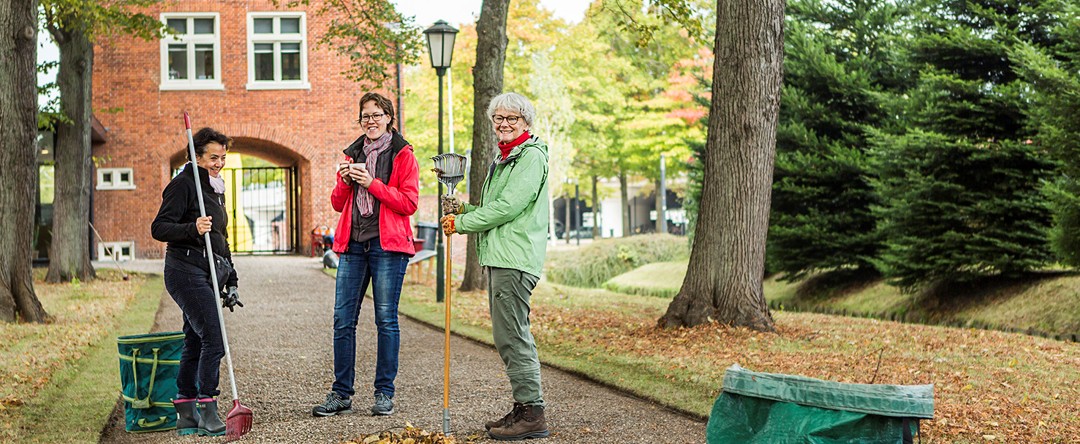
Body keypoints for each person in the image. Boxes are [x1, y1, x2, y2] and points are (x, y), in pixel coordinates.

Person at [440, 92, 551, 440]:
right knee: (508, 336)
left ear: (526, 122)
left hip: (515, 259)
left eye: (512, 119)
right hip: (503, 256)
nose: (504, 124)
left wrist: (461, 225)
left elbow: (507, 208)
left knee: (513, 335)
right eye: (498, 119)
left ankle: (532, 413)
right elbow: (494, 209)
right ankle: (523, 407)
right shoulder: (505, 159)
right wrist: (463, 210)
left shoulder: (529, 158)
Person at [312, 92, 419, 418]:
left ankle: (384, 393)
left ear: (389, 117)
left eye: (376, 115)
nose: (370, 121)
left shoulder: (403, 154)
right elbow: (336, 202)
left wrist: (372, 183)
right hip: (354, 246)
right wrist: (346, 181)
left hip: (389, 248)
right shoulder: (352, 154)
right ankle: (341, 393)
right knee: (343, 320)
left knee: (386, 320)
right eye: (365, 116)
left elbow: (409, 203)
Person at [151, 127, 243, 437]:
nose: (219, 163)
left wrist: (232, 280)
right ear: (196, 156)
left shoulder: (215, 188)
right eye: (213, 157)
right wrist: (192, 227)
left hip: (207, 272)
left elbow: (221, 238)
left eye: (223, 158)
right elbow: (160, 228)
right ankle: (208, 407)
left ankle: (186, 411)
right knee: (214, 338)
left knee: (194, 339)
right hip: (184, 271)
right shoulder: (183, 185)